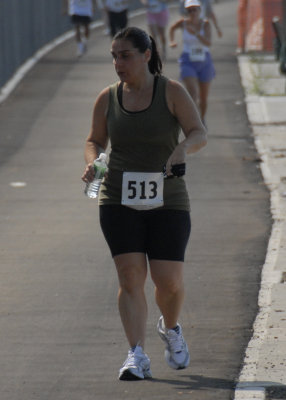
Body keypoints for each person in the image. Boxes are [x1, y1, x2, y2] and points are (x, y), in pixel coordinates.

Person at [81, 26, 207, 380]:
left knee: (168, 282)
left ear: (146, 54)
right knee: (130, 276)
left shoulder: (171, 92)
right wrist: (94, 162)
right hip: (118, 196)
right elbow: (94, 140)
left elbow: (199, 132)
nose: (119, 63)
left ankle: (171, 327)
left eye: (126, 56)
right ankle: (135, 354)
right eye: (114, 56)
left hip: (168, 199)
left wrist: (182, 148)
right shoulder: (107, 97)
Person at [169, 0, 215, 124]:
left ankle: (202, 119)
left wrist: (196, 34)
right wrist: (172, 41)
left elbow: (208, 43)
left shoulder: (205, 24)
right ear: (186, 11)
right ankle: (192, 121)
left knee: (203, 98)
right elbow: (172, 28)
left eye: (195, 9)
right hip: (188, 60)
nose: (192, 12)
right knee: (193, 93)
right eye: (189, 10)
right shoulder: (183, 23)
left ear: (200, 10)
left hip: (204, 60)